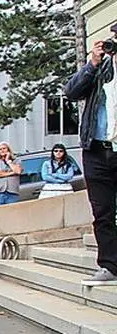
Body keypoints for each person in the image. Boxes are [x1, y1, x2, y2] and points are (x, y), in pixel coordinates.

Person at [65, 26, 117, 285]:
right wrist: (92, 63)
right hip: (96, 149)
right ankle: (109, 266)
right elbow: (71, 92)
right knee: (102, 212)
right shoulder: (100, 70)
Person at [0, 142, 22, 206]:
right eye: (0, 149)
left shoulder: (16, 160)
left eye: (4, 148)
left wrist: (8, 161)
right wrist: (12, 173)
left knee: (11, 214)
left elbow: (18, 171)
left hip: (12, 192)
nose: (2, 150)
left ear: (8, 149)